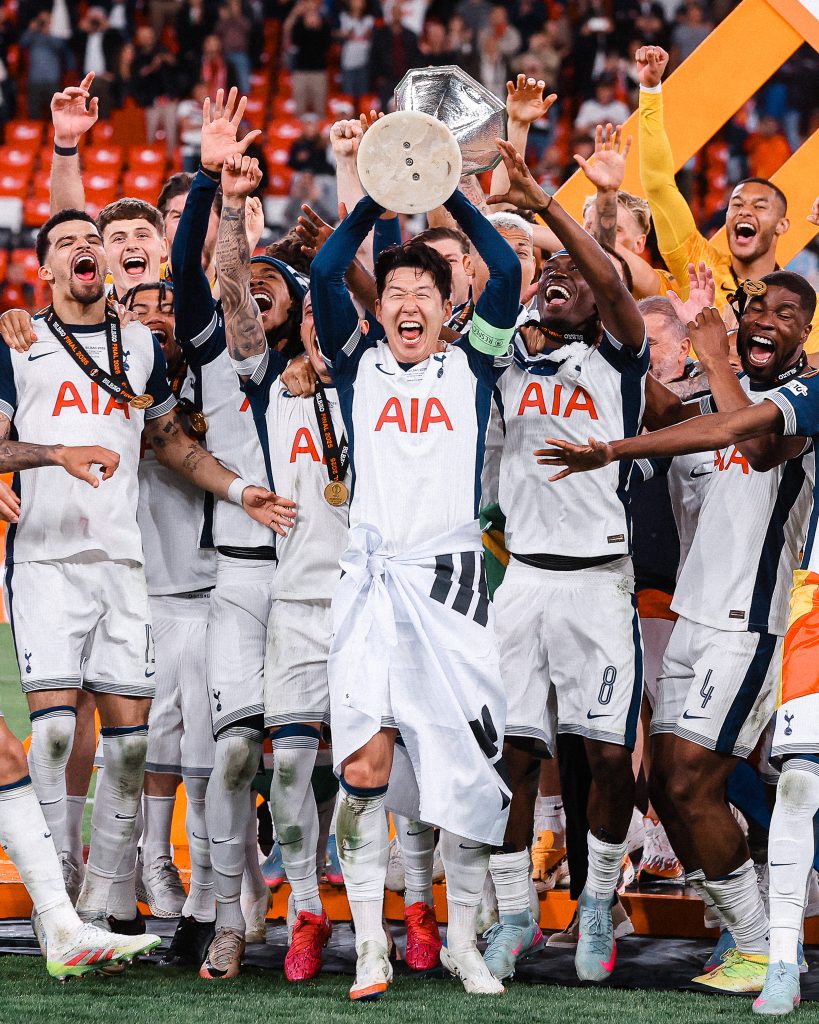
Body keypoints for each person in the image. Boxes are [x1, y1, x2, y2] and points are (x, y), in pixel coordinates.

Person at [0, 208, 286, 938]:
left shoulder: (137, 347)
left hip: (123, 563)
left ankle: (107, 902)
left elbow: (169, 440)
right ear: (45, 268)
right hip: (46, 558)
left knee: (130, 748)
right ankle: (56, 896)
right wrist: (54, 454)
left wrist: (238, 490)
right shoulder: (19, 342)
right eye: (67, 243)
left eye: (90, 240)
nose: (84, 249)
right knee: (55, 735)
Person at [537, 272, 817, 998]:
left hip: (749, 623)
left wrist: (714, 356)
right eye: (758, 307)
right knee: (665, 785)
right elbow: (662, 406)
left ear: (804, 334)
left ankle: (761, 944)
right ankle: (749, 940)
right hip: (690, 616)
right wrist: (593, 330)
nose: (768, 319)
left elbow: (751, 444)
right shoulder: (708, 397)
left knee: (695, 781)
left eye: (787, 314)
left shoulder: (802, 401)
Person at [310, 149, 522, 1000]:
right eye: (394, 292)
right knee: (363, 769)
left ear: (447, 306)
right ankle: (370, 944)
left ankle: (463, 941)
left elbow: (505, 267)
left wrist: (450, 196)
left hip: (452, 585)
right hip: (368, 587)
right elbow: (327, 269)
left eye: (422, 293)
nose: (405, 303)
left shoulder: (474, 365)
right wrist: (377, 197)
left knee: (465, 773)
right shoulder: (355, 363)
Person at [475, 138, 646, 984]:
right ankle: (514, 915)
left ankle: (597, 905)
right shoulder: (505, 359)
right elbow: (474, 283)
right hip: (524, 580)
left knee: (608, 758)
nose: (557, 275)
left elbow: (611, 282)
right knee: (510, 755)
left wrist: (549, 204)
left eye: (572, 273)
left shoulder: (618, 356)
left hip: (597, 582)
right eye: (549, 269)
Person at [170, 89, 308, 981]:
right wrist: (211, 183)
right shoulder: (217, 348)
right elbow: (202, 273)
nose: (255, 289)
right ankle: (228, 913)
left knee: (298, 763)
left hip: (309, 584)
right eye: (246, 282)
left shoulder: (322, 373)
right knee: (228, 755)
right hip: (236, 578)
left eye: (273, 285)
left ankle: (313, 908)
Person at [216, 151, 347, 983]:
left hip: (372, 603)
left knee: (381, 774)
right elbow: (234, 299)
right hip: (297, 600)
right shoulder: (273, 386)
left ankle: (407, 908)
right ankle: (304, 909)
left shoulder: (386, 383)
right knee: (291, 763)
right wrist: (232, 211)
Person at [634, 44, 819, 349]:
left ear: (782, 225)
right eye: (737, 204)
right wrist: (651, 91)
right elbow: (658, 184)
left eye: (759, 206)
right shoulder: (697, 266)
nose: (744, 211)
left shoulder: (801, 304)